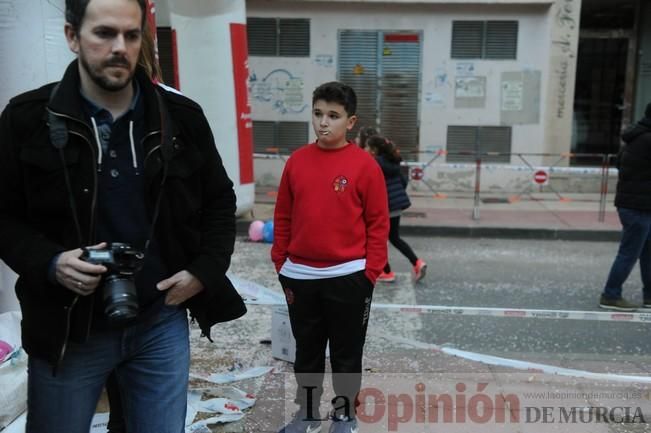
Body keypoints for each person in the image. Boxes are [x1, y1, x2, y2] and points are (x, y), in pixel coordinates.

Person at [0, 1, 246, 433]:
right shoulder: (26, 120)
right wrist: (52, 263)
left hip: (159, 322)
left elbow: (219, 204)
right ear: (72, 36)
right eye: (104, 33)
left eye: (131, 35)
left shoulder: (181, 119)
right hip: (68, 329)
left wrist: (203, 272)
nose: (120, 47)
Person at [271, 82, 389, 433]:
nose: (323, 123)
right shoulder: (297, 161)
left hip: (349, 276)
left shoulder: (365, 166)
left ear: (350, 122)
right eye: (318, 113)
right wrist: (281, 261)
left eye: (333, 116)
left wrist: (370, 271)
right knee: (306, 351)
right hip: (300, 275)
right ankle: (306, 413)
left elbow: (378, 223)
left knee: (346, 352)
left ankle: (344, 414)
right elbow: (283, 215)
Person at [599, 103, 651, 312]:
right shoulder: (648, 140)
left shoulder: (636, 137)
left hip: (636, 204)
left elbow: (620, 164)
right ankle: (610, 294)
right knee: (629, 253)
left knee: (647, 252)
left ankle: (649, 296)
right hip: (638, 206)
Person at [366, 135, 427, 283]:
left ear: (374, 150)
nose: (366, 149)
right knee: (394, 238)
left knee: (377, 239)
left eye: (368, 147)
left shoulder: (375, 163)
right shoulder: (392, 162)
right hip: (396, 206)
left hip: (384, 207)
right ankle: (417, 263)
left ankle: (386, 272)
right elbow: (403, 181)